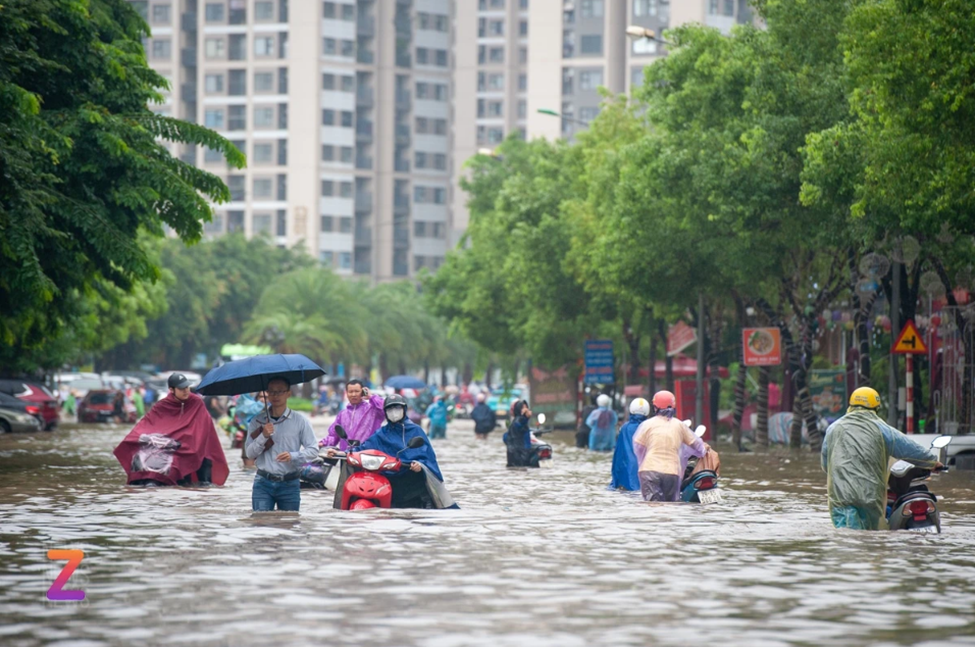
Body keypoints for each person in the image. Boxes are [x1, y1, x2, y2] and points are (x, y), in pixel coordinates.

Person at [822, 387, 942, 530]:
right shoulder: (882, 429)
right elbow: (908, 448)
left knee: (846, 538)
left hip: (842, 497)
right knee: (870, 539)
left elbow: (825, 464)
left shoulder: (833, 429)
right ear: (875, 407)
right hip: (870, 497)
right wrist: (933, 462)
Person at [328, 394, 447, 508]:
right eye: (390, 408)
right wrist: (340, 453)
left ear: (404, 409)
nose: (394, 411)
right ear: (385, 412)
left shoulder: (415, 431)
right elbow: (362, 449)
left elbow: (427, 456)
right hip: (386, 478)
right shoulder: (381, 433)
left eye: (397, 407)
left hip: (411, 480)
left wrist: (420, 465)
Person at [113, 373, 229, 487]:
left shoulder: (196, 403)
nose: (186, 391)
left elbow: (203, 429)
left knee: (188, 455)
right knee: (143, 453)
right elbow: (146, 425)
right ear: (171, 389)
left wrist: (185, 439)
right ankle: (147, 479)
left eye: (187, 387)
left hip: (190, 446)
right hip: (169, 446)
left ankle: (196, 482)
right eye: (181, 388)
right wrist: (135, 438)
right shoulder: (162, 405)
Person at [245, 377, 319, 511]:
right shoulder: (257, 421)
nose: (275, 396)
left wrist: (293, 456)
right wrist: (263, 436)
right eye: (272, 392)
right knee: (260, 524)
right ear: (267, 393)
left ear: (288, 393)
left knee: (289, 524)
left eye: (280, 391)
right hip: (263, 483)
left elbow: (314, 450)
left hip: (290, 483)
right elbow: (249, 454)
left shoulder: (300, 421)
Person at [632, 390, 707, 502]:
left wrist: (643, 462)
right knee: (670, 507)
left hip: (649, 471)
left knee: (652, 506)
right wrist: (703, 451)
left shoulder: (646, 425)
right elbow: (698, 446)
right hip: (672, 473)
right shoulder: (680, 426)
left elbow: (638, 448)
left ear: (655, 407)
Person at [319, 379, 386, 451]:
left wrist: (371, 397)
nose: (353, 394)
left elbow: (384, 408)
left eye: (357, 391)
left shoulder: (372, 411)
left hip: (367, 456)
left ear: (362, 392)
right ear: (347, 394)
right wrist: (323, 443)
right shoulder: (342, 414)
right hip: (346, 456)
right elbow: (334, 434)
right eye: (350, 392)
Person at [609, 398, 649, 491]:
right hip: (647, 469)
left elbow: (618, 454)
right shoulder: (650, 427)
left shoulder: (625, 428)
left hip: (627, 471)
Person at [504, 400, 534, 467]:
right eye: (523, 408)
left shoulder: (517, 421)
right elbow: (520, 424)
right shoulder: (519, 420)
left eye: (526, 408)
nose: (526, 409)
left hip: (518, 452)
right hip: (519, 453)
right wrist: (526, 417)